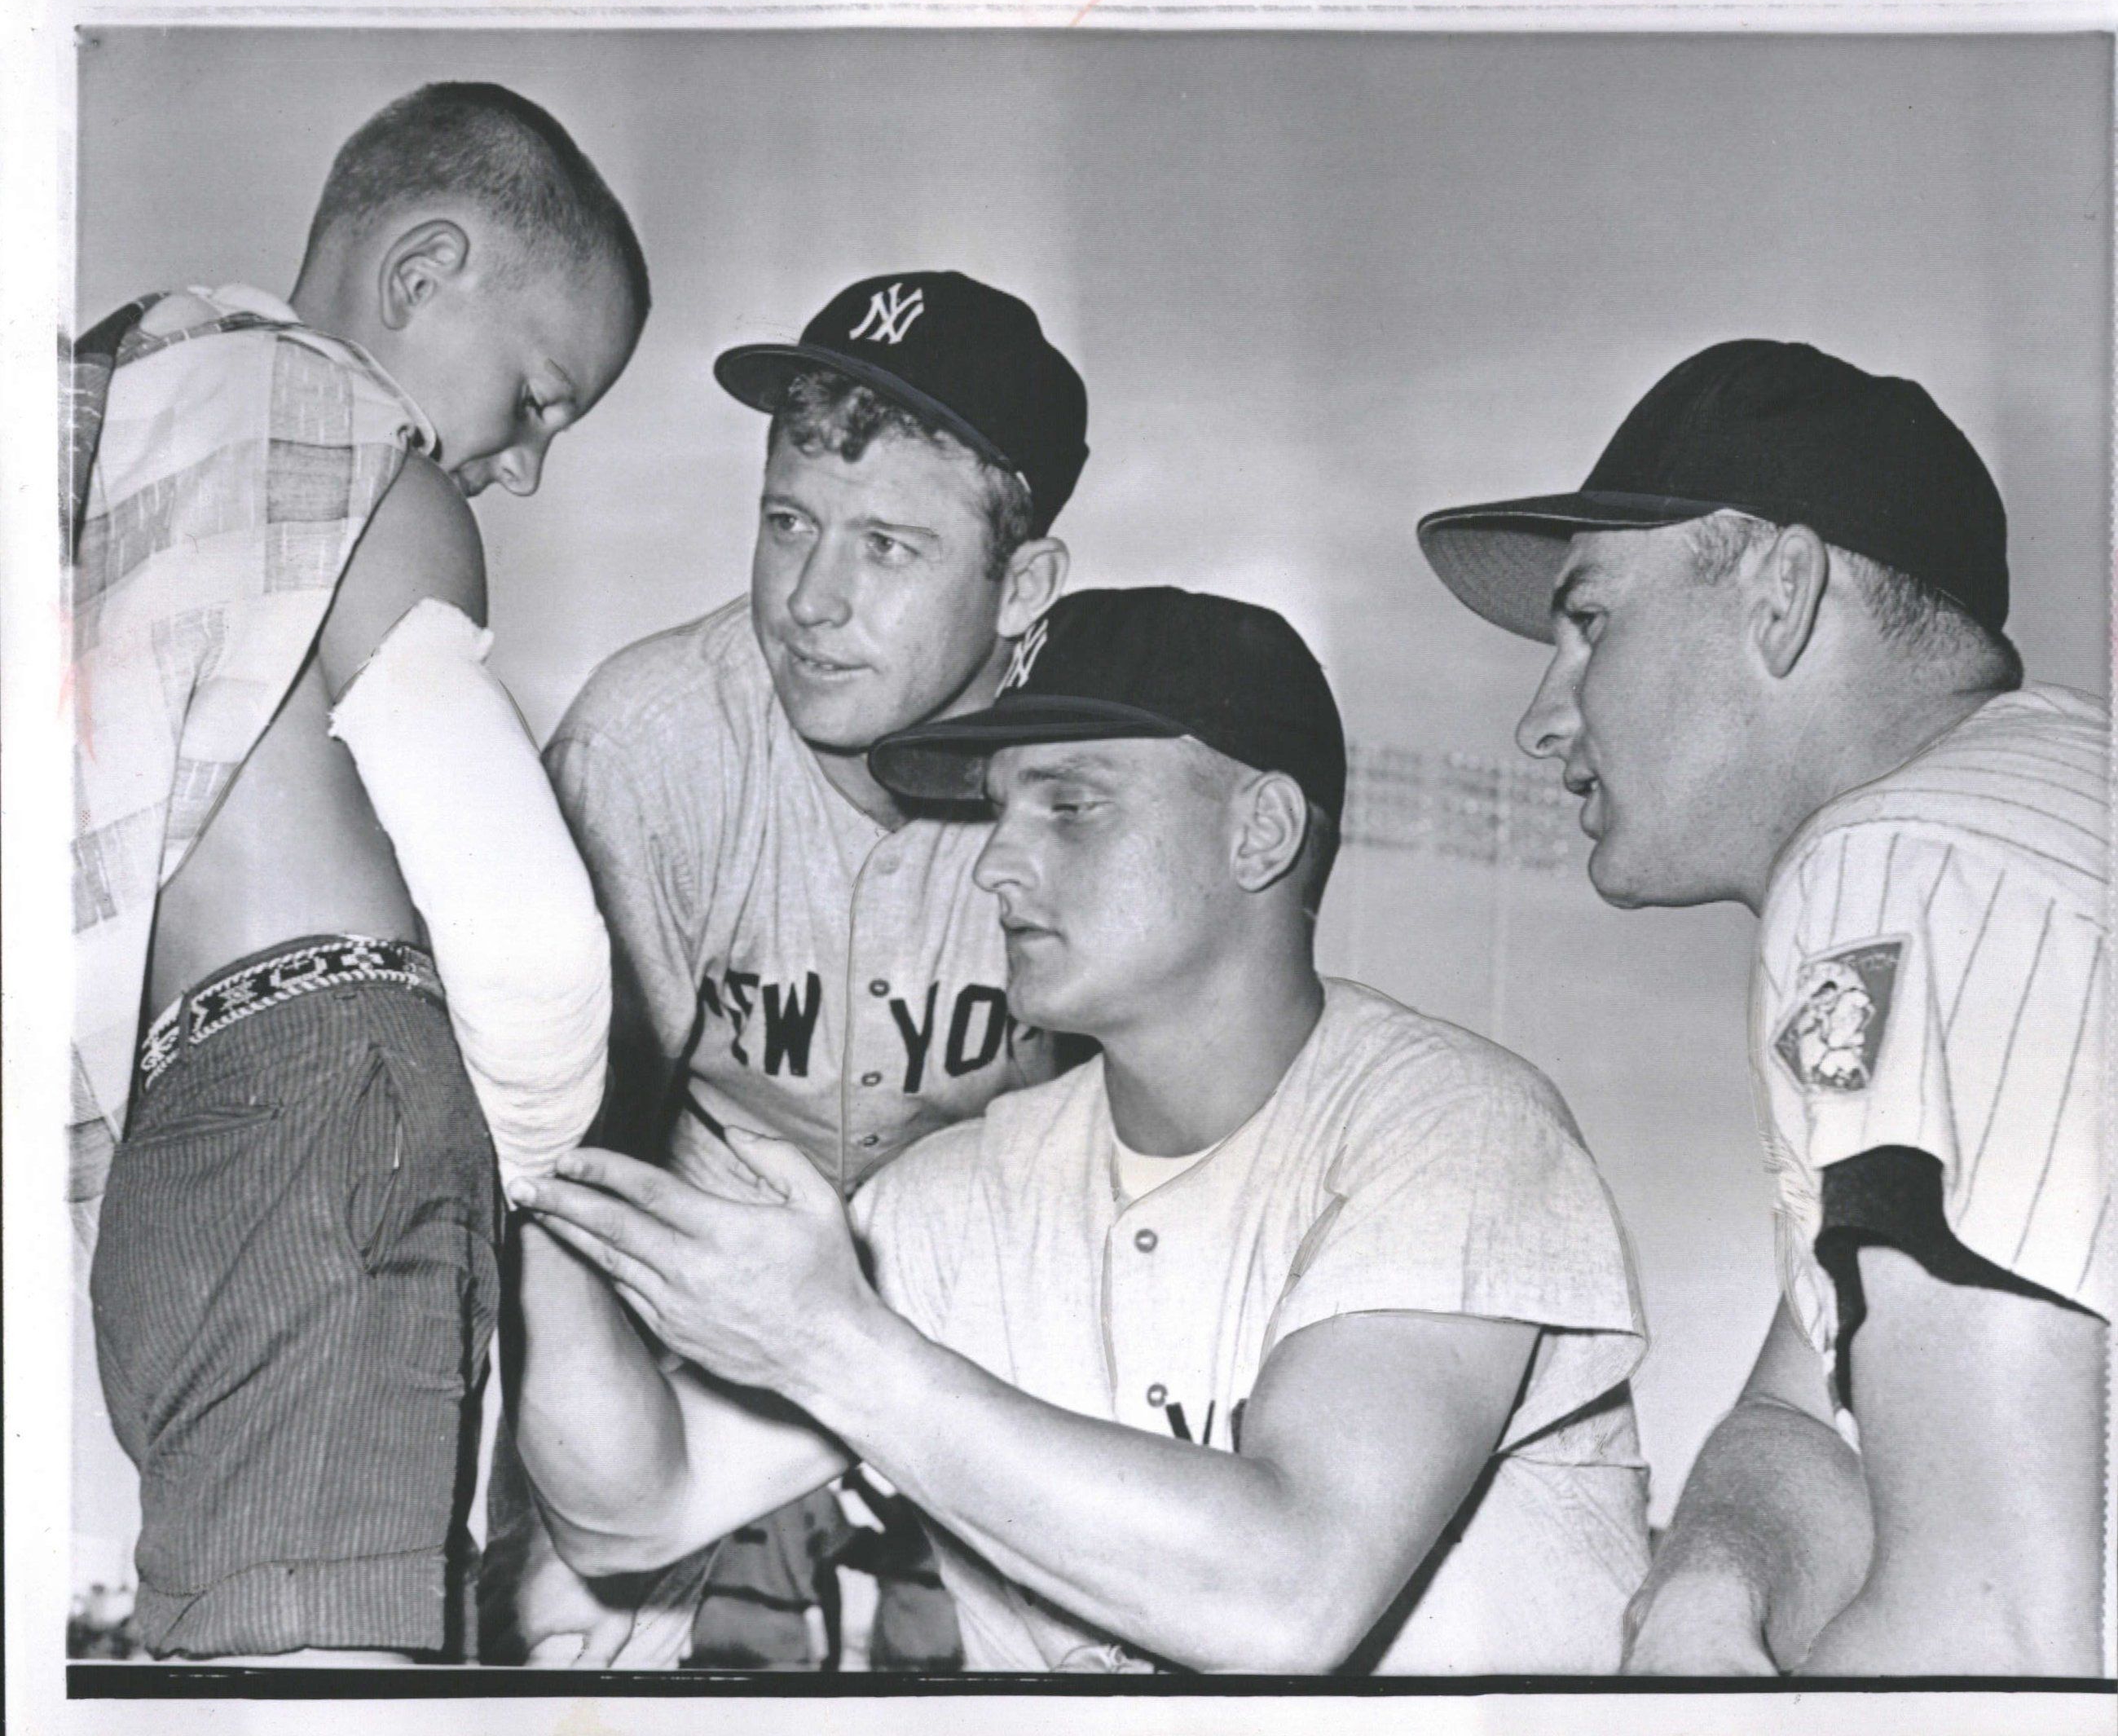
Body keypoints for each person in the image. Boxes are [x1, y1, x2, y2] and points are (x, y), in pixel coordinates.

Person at [509, 586, 1653, 1674]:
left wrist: (834, 1347)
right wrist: (543, 1153)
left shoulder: (1452, 1126)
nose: (996, 862)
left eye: (1070, 804)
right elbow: (633, 1510)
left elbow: (1288, 1594)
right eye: (998, 806)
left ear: (1259, 831)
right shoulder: (949, 1201)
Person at [1416, 339, 2109, 1677]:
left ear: (1782, 595)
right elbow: (1802, 1413)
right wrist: (1706, 1587)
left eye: (1590, 623)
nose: (1542, 720)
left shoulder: (1902, 867)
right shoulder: (2036, 810)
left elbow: (1994, 1653)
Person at [68, 81, 648, 1661]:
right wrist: (533, 1166)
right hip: (340, 1095)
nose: (524, 466)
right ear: (420, 275)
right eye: (538, 397)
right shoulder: (373, 467)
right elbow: (523, 920)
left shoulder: (115, 439)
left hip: (160, 1154)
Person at [491, 270, 1086, 1669]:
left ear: (1026, 588)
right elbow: (567, 1179)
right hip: (684, 1328)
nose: (812, 601)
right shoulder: (654, 740)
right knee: (567, 1649)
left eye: (888, 546)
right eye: (787, 525)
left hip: (979, 1341)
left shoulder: (1093, 780)